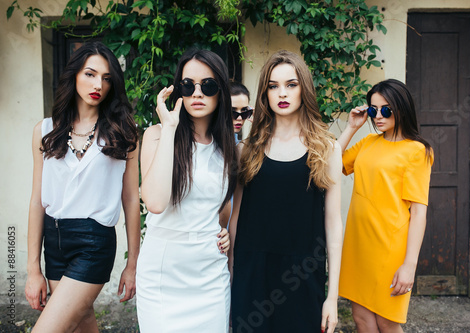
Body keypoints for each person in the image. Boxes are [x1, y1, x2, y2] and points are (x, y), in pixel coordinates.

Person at [25, 41, 140, 332]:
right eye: (90, 74)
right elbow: (37, 199)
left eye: (106, 78)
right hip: (54, 240)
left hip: (94, 242)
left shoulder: (123, 132)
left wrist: (133, 264)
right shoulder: (45, 130)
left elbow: (130, 199)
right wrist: (32, 269)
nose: (98, 84)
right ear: (74, 74)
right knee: (80, 325)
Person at [229, 50, 344, 333]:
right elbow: (235, 220)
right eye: (273, 85)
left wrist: (332, 297)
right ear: (264, 93)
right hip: (252, 277)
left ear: (304, 88)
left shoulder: (326, 148)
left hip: (303, 278)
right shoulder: (246, 150)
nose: (282, 93)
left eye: (291, 84)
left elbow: (333, 224)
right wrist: (231, 280)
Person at [136, 49, 236, 332]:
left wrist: (223, 229)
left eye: (208, 85)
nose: (197, 93)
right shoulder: (156, 135)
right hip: (163, 271)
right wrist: (169, 128)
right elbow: (154, 202)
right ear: (178, 90)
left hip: (209, 272)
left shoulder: (228, 147)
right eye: (188, 85)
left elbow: (221, 204)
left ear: (221, 92)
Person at [337, 79, 433, 332]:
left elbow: (419, 212)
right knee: (362, 320)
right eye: (373, 110)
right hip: (359, 244)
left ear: (401, 108)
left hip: (390, 248)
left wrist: (409, 265)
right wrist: (351, 128)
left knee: (387, 322)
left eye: (386, 110)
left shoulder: (417, 151)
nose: (378, 116)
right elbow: (330, 167)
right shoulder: (368, 142)